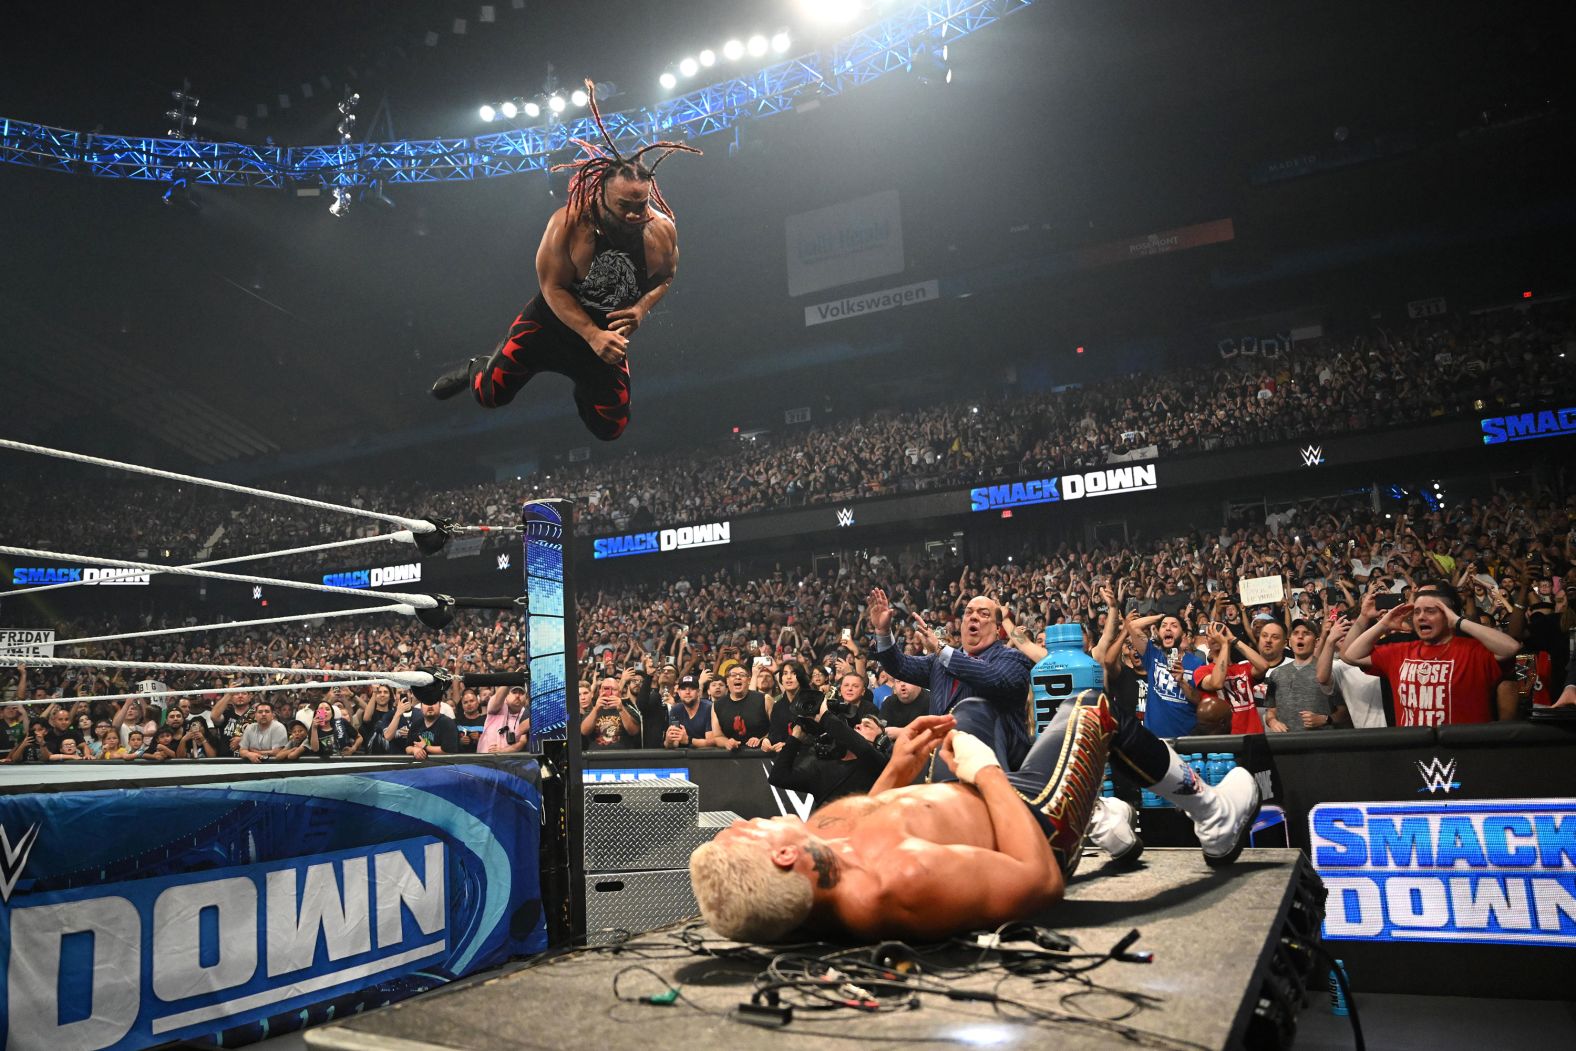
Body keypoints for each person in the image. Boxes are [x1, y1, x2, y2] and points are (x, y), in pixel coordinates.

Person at [691, 690, 1261, 942]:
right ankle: (1212, 816)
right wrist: (985, 770)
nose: (755, 821)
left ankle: (1103, 818)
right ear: (783, 855)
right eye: (753, 830)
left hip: (963, 795)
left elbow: (865, 819)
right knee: (1093, 709)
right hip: (1030, 823)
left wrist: (897, 765)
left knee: (969, 711)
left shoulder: (804, 867)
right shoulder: (898, 882)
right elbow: (1039, 883)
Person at [430, 79, 700, 443]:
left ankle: (584, 385)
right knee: (490, 395)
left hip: (605, 335)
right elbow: (552, 287)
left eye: (642, 205)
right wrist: (590, 335)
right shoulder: (569, 225)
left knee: (611, 429)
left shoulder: (661, 230)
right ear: (601, 195)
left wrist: (641, 309)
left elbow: (667, 276)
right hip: (550, 325)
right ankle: (475, 368)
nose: (637, 215)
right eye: (625, 206)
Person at [866, 588, 1033, 781]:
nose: (974, 617)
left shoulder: (1013, 659)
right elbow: (900, 665)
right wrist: (883, 632)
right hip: (940, 772)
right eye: (968, 612)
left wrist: (941, 649)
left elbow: (993, 678)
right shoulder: (939, 661)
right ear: (962, 624)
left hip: (994, 775)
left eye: (983, 614)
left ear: (997, 628)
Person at [1342, 582, 1521, 725]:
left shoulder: (1473, 650)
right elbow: (1351, 655)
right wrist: (1383, 623)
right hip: (1415, 753)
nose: (1420, 617)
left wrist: (1458, 621)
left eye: (1430, 611)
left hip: (1465, 754)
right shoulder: (1401, 651)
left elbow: (1511, 648)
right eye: (1417, 611)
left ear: (1449, 615)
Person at [767, 702, 890, 810]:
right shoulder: (824, 766)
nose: (857, 726)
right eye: (858, 724)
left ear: (880, 741)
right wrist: (795, 739)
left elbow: (863, 748)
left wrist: (824, 715)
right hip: (824, 832)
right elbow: (778, 777)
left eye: (867, 725)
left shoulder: (879, 764)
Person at [1263, 619, 1338, 732]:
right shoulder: (1277, 674)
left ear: (1317, 642)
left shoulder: (1327, 670)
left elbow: (1344, 711)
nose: (1300, 637)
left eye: (1306, 633)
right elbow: (1271, 710)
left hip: (1321, 743)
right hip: (1287, 743)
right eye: (1295, 633)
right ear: (1289, 642)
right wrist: (1272, 721)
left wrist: (1325, 719)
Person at [708, 663, 771, 750]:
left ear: (749, 680)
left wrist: (762, 739)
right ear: (727, 681)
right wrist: (727, 742)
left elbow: (777, 728)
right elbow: (718, 736)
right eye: (733, 675)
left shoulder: (764, 699)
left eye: (742, 675)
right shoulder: (717, 705)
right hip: (732, 758)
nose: (737, 677)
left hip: (762, 755)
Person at [581, 674, 642, 749]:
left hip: (621, 757)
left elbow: (634, 732)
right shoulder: (591, 711)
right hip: (596, 757)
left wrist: (621, 709)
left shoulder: (628, 710)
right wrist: (596, 708)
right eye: (606, 689)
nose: (610, 693)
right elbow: (584, 731)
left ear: (619, 693)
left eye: (614, 690)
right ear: (600, 691)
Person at [663, 674, 715, 749]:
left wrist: (688, 740)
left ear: (698, 691)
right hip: (683, 758)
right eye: (683, 689)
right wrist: (668, 741)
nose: (687, 692)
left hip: (706, 757)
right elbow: (674, 744)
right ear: (678, 692)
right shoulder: (676, 710)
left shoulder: (709, 708)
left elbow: (712, 742)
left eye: (692, 688)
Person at [479, 685, 531, 754]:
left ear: (526, 698)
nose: (518, 696)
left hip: (509, 761)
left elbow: (522, 742)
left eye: (521, 693)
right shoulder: (496, 705)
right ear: (506, 695)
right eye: (514, 692)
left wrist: (502, 751)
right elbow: (499, 696)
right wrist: (509, 678)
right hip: (485, 757)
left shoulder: (526, 714)